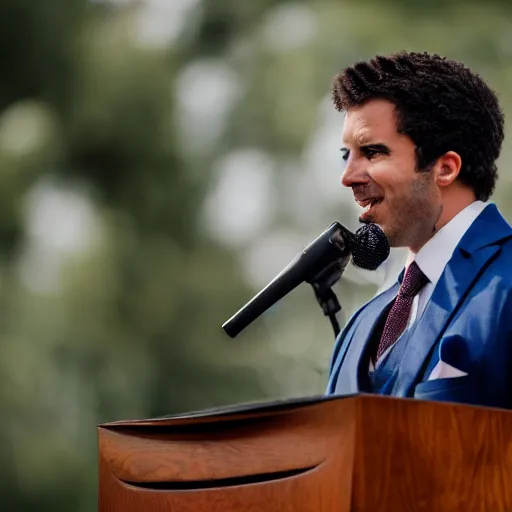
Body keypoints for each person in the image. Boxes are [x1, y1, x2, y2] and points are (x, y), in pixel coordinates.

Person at [325, 51, 512, 409]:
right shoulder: (359, 326)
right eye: (345, 155)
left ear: (444, 168)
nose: (347, 176)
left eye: (372, 152)